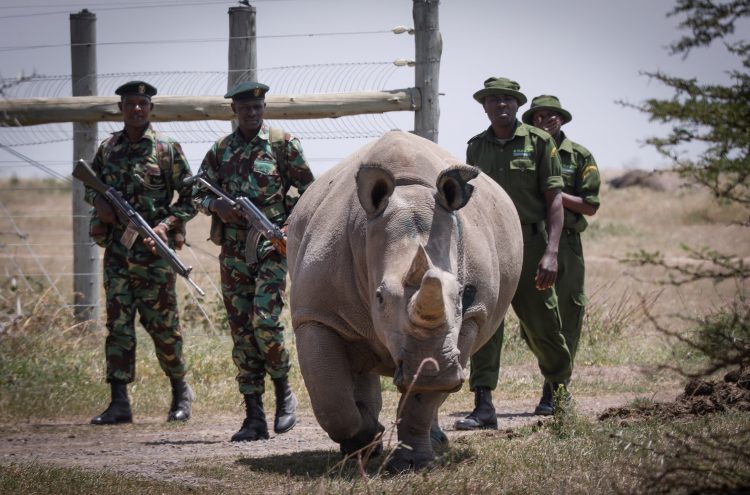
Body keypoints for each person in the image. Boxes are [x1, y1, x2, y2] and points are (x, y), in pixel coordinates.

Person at [193, 81, 314, 442]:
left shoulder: (282, 144)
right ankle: (253, 417)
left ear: (264, 108)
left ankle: (283, 392)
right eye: (245, 107)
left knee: (265, 322)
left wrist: (288, 227)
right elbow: (196, 189)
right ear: (235, 111)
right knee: (242, 333)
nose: (252, 113)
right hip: (233, 254)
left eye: (257, 107)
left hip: (271, 249)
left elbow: (309, 190)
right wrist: (217, 206)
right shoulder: (221, 150)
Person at [455, 77, 572, 430]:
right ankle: (483, 406)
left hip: (531, 243)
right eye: (494, 100)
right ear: (484, 106)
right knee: (483, 323)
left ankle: (559, 394)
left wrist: (550, 252)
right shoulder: (475, 148)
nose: (501, 105)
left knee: (544, 325)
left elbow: (555, 200)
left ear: (518, 105)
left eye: (508, 99)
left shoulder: (539, 143)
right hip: (489, 246)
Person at [85, 80, 197, 425]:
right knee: (118, 326)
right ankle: (119, 403)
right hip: (119, 253)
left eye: (143, 103)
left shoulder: (166, 149)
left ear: (151, 108)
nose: (137, 109)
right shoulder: (108, 149)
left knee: (164, 326)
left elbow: (190, 199)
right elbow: (90, 188)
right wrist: (99, 204)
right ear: (121, 108)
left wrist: (165, 226)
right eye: (130, 103)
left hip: (153, 254)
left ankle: (181, 394)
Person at [522, 95, 601, 415]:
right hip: (530, 240)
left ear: (562, 120)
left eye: (551, 116)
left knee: (568, 315)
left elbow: (590, 205)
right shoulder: (526, 153)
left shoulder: (579, 155)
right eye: (538, 116)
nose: (545, 121)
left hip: (566, 244)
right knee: (534, 320)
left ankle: (555, 389)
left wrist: (553, 193)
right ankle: (552, 373)